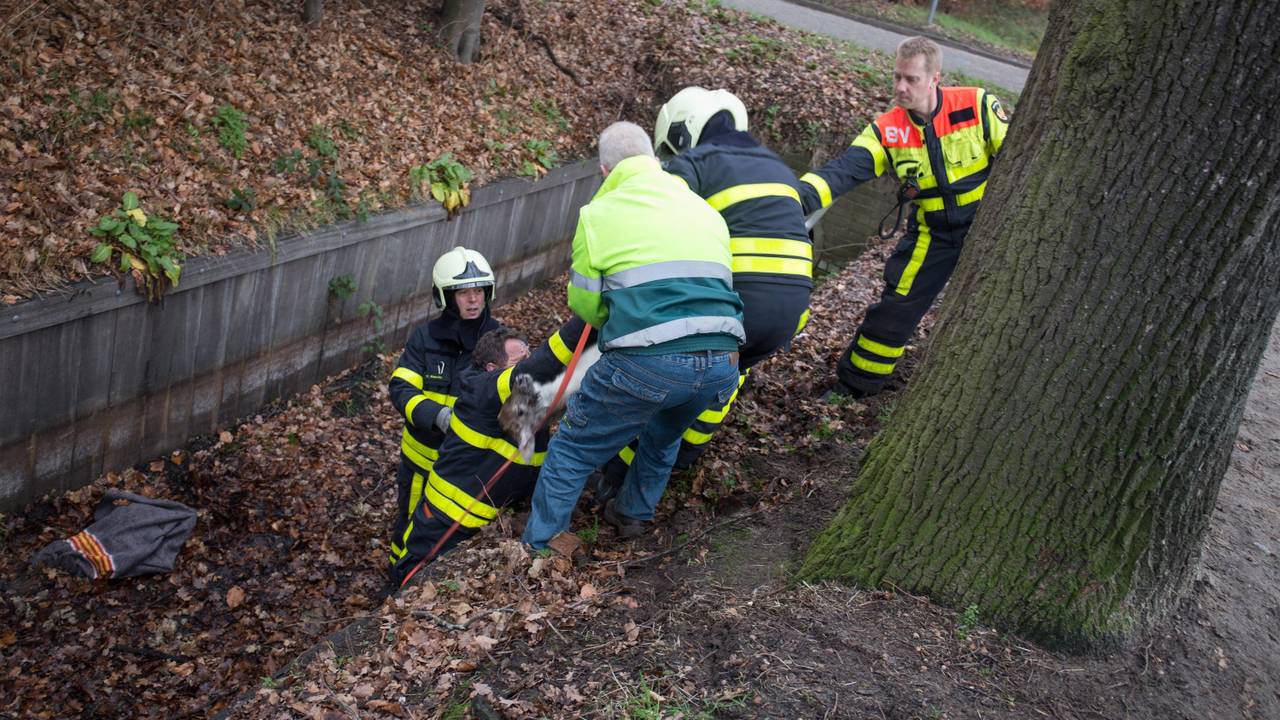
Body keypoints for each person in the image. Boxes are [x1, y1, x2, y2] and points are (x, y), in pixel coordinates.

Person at [521, 121, 744, 548]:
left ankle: (541, 548)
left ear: (605, 171)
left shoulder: (597, 216)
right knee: (663, 437)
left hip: (650, 362)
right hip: (723, 358)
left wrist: (621, 315)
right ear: (654, 158)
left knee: (572, 449)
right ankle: (631, 514)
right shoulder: (704, 209)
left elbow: (586, 306)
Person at [594, 87, 813, 502]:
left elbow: (653, 222)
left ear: (683, 130)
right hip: (789, 313)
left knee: (659, 371)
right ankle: (680, 459)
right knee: (724, 376)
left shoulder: (695, 163)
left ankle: (616, 475)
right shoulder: (780, 168)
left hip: (735, 306)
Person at [798, 36, 1009, 399]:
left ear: (934, 79)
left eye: (911, 79)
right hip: (933, 234)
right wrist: (791, 199)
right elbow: (844, 171)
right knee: (896, 309)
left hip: (990, 226)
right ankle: (854, 388)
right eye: (897, 76)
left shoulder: (976, 105)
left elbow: (1018, 161)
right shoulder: (887, 129)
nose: (900, 87)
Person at [388, 318, 594, 586]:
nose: (527, 363)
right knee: (409, 580)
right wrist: (586, 319)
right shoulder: (481, 391)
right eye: (518, 362)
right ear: (492, 370)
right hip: (445, 522)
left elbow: (564, 380)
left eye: (528, 355)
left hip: (485, 524)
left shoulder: (523, 403)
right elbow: (538, 368)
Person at [387, 247, 501, 566]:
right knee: (410, 521)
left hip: (466, 465)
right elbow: (401, 387)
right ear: (446, 297)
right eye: (463, 293)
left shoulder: (500, 341)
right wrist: (437, 416)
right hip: (421, 459)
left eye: (478, 291)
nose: (473, 300)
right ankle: (399, 576)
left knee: (453, 533)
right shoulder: (425, 338)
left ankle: (433, 579)